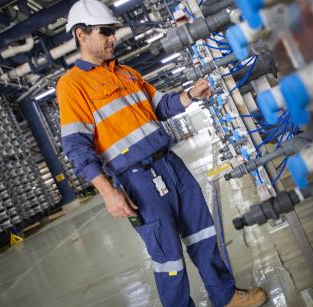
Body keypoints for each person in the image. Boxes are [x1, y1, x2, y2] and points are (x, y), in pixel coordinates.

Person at [57, 1, 268, 306]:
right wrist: (107, 192)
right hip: (135, 179)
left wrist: (190, 95)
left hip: (170, 163)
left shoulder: (127, 73)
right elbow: (77, 146)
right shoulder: (71, 85)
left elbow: (161, 107)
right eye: (105, 32)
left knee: (203, 233)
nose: (113, 38)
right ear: (81, 34)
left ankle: (226, 295)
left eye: (113, 31)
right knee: (168, 258)